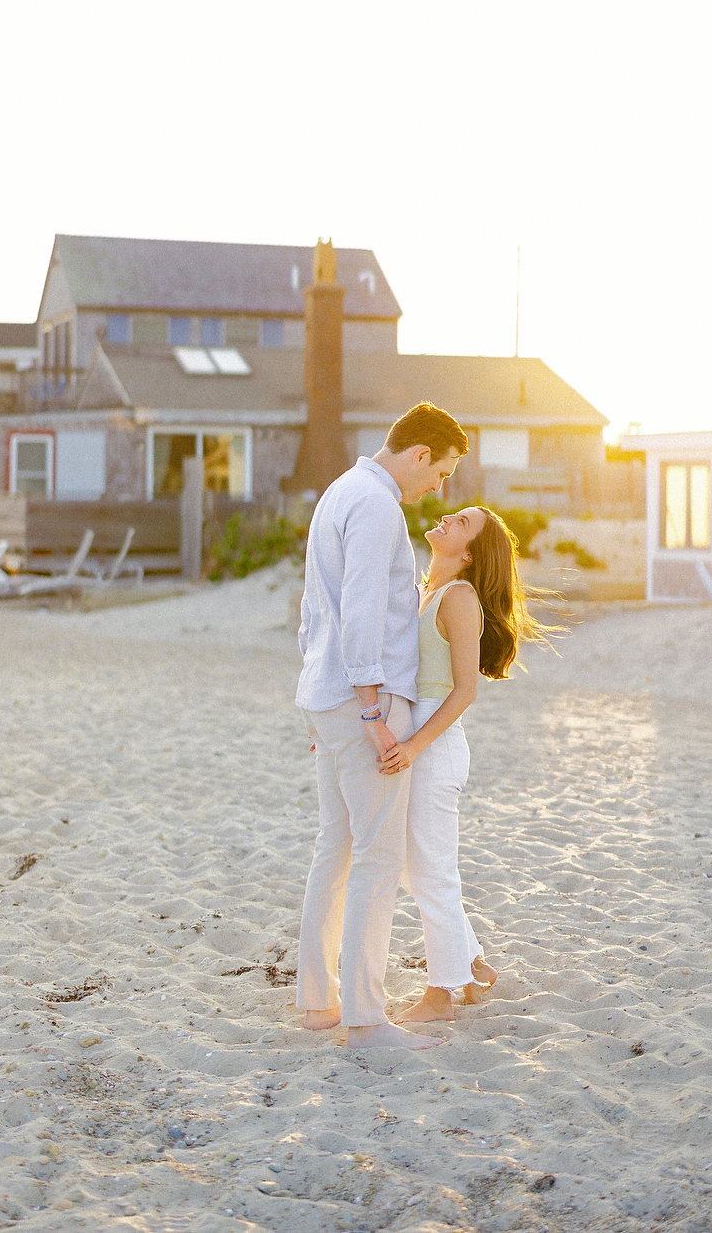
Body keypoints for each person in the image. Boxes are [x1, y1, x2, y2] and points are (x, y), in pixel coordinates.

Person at [295, 402, 469, 1049]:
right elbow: (363, 612)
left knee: (335, 851)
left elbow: (318, 610)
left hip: (329, 695)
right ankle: (366, 1019)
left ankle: (320, 1003)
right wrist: (370, 712)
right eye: (443, 471)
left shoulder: (341, 490)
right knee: (375, 856)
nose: (440, 487)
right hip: (362, 699)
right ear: (420, 453)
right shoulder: (374, 505)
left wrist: (326, 698)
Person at [377, 506, 550, 1025]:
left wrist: (413, 747)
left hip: (437, 740)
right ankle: (473, 963)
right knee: (417, 867)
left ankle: (441, 993)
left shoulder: (459, 597)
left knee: (431, 871)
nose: (449, 516)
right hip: (421, 736)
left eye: (464, 522)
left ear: (471, 552)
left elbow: (465, 691)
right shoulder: (428, 590)